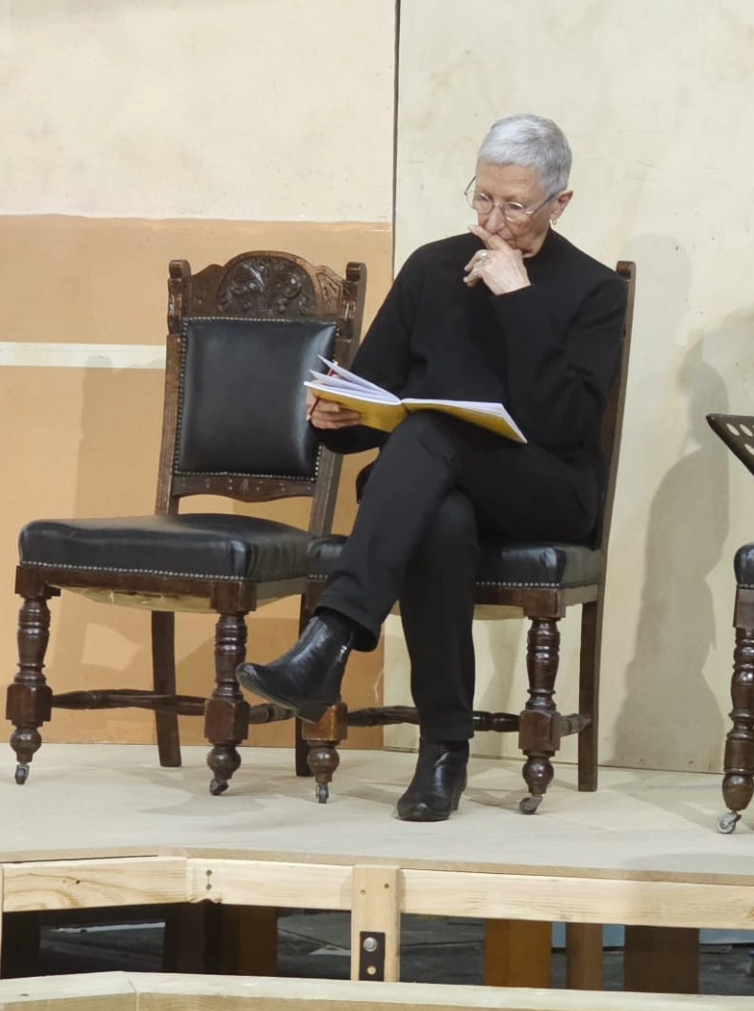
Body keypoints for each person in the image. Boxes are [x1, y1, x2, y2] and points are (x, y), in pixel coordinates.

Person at [239, 114, 626, 823]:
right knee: (439, 513)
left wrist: (520, 299)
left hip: (545, 488)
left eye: (515, 205)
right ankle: (444, 751)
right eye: (483, 199)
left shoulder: (593, 291)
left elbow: (568, 424)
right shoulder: (431, 268)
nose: (494, 219)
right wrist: (336, 417)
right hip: (433, 486)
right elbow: (378, 390)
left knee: (429, 435)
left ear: (560, 204)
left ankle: (331, 640)